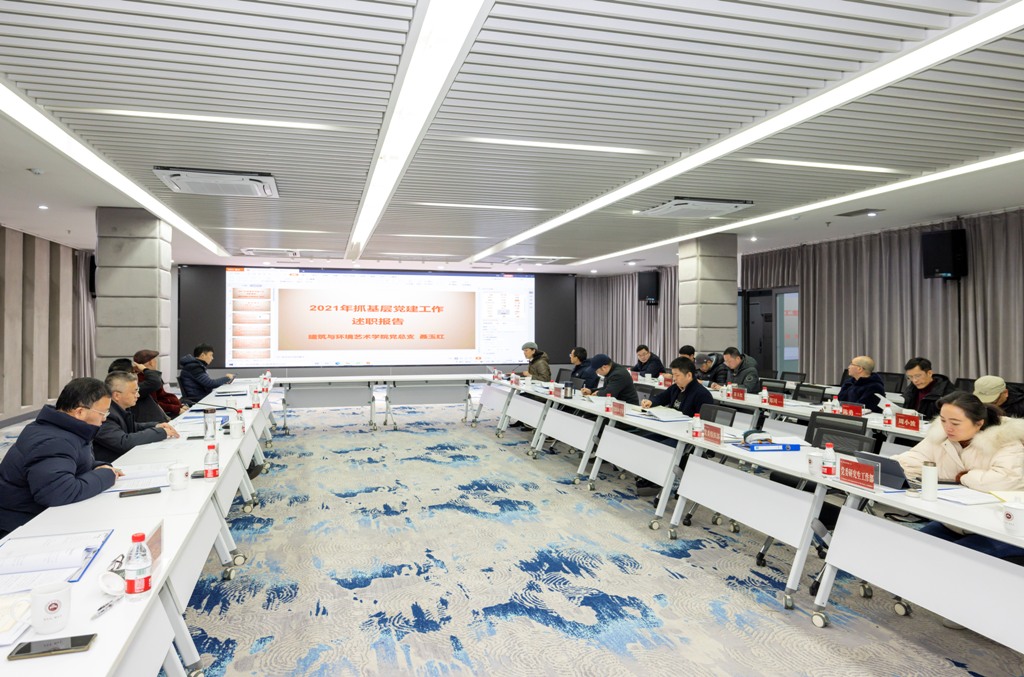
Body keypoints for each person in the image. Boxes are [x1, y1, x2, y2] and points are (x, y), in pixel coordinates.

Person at [893, 392, 1024, 562]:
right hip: (957, 521)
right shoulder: (940, 437)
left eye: (955, 423)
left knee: (954, 559)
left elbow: (1006, 479)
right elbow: (914, 459)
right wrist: (887, 465)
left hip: (1003, 527)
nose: (947, 428)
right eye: (943, 420)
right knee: (914, 547)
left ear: (979, 423)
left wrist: (965, 477)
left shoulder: (1005, 441)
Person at [0, 378, 122, 536]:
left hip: (35, 516)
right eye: (103, 413)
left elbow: (69, 463)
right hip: (19, 526)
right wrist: (106, 475)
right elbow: (59, 493)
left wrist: (97, 467)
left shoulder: (62, 429)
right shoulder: (53, 440)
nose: (105, 418)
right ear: (80, 412)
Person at [93, 371, 180, 464]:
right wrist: (160, 432)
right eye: (134, 392)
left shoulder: (120, 409)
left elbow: (133, 427)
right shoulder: (105, 414)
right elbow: (123, 442)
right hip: (113, 464)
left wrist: (156, 425)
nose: (138, 395)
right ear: (117, 395)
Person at [641, 357, 714, 417]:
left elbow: (703, 421)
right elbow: (661, 398)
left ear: (689, 375)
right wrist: (651, 401)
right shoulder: (675, 387)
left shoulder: (702, 394)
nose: (674, 378)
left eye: (677, 375)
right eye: (673, 375)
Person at [134, 349, 186, 421]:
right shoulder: (147, 380)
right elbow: (155, 403)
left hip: (164, 413)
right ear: (151, 362)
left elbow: (163, 396)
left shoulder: (151, 378)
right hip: (157, 417)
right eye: (155, 360)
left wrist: (179, 406)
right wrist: (176, 409)